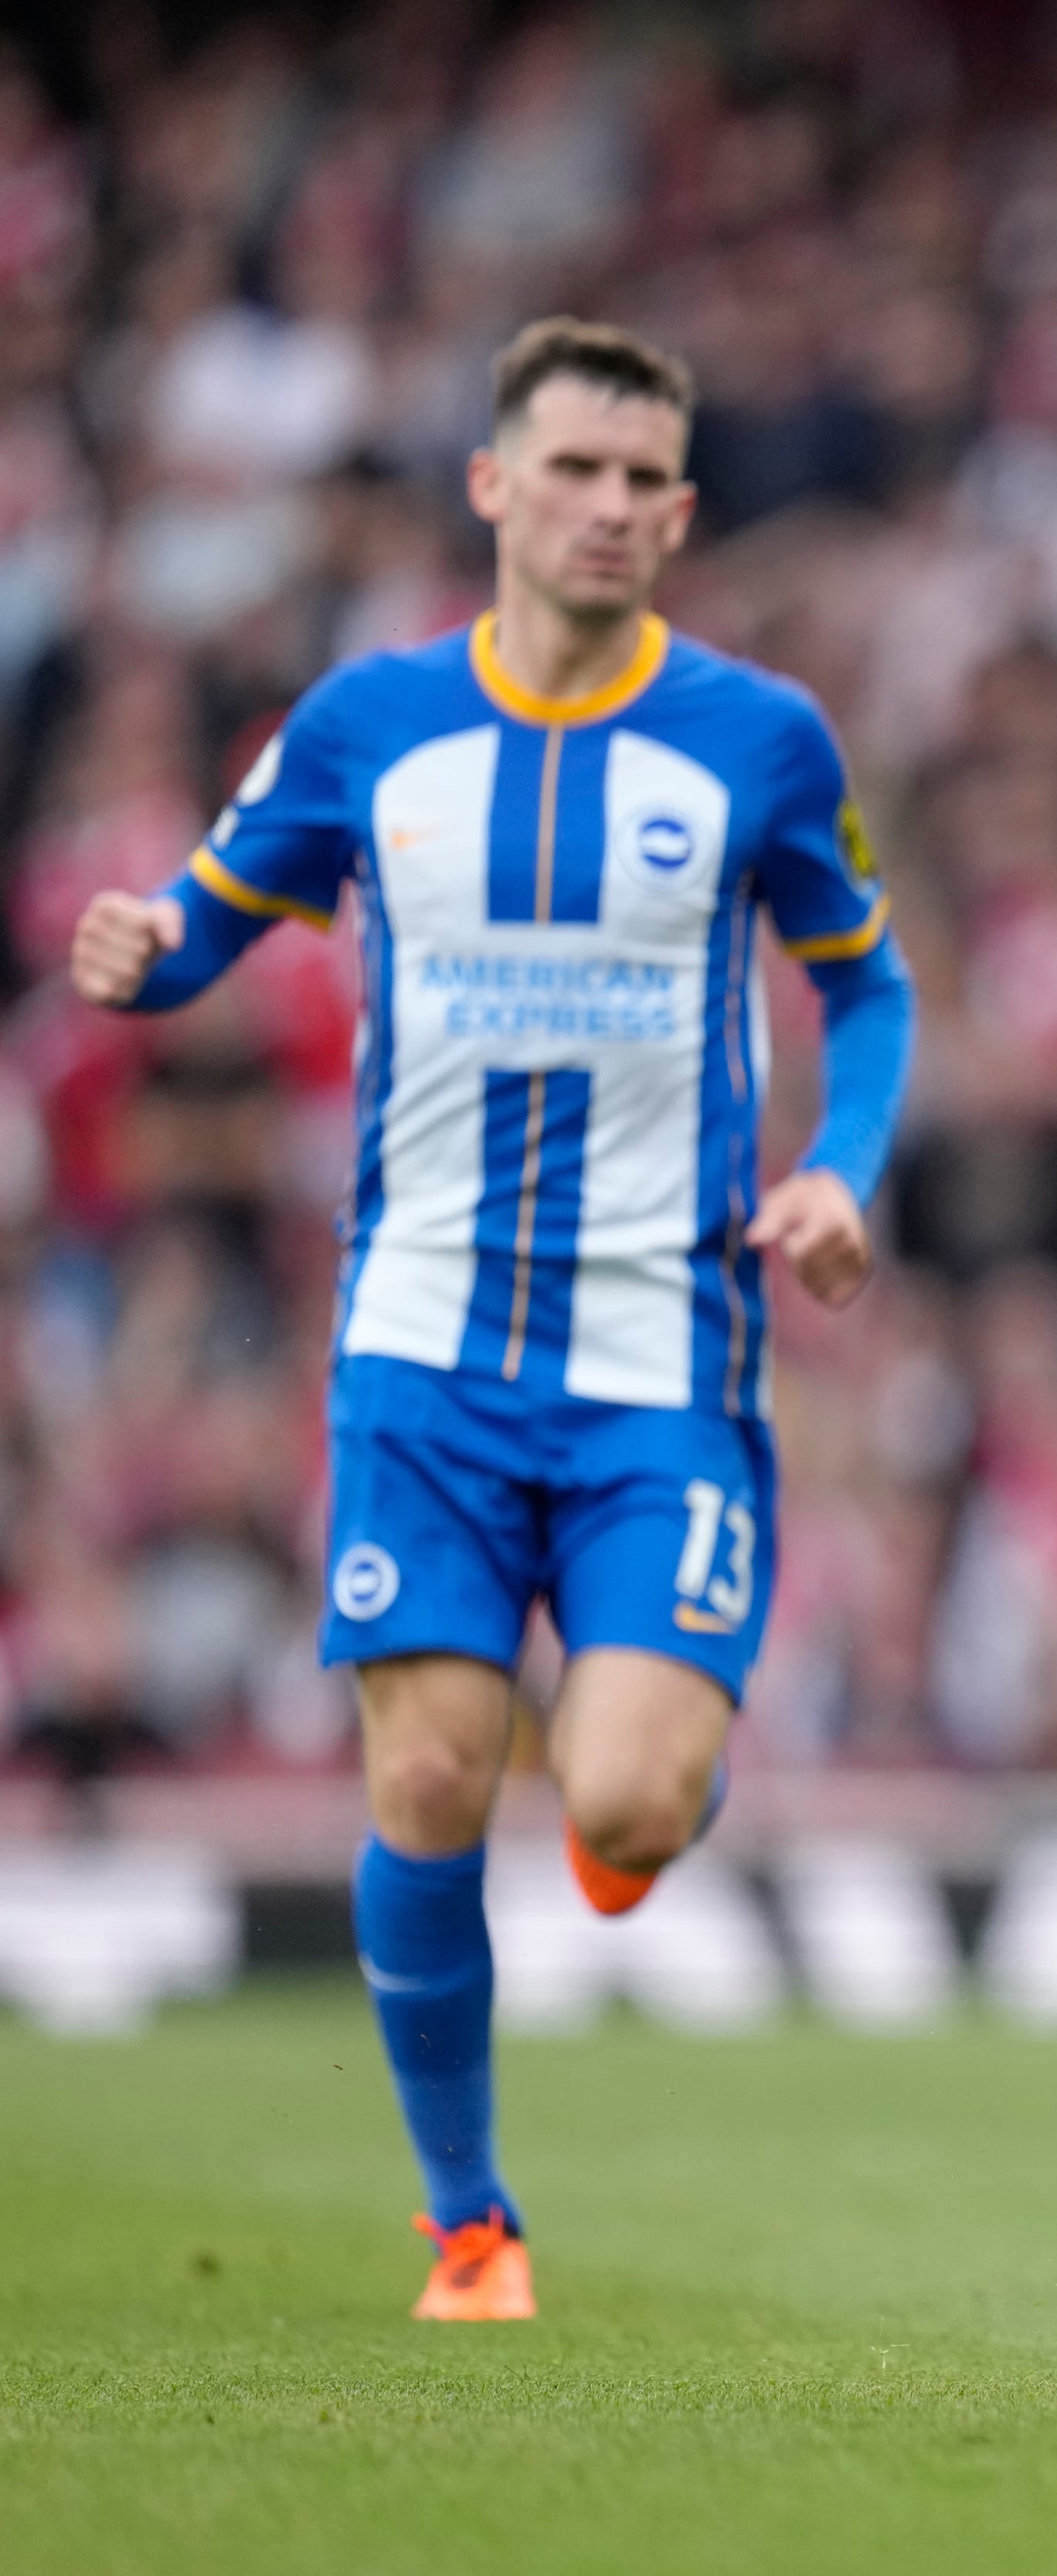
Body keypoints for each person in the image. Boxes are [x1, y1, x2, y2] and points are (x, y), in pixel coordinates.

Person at [68, 319, 917, 2322]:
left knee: (623, 1797)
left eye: (647, 482)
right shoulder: (371, 727)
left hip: (661, 1355)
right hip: (424, 1347)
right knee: (433, 1777)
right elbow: (208, 909)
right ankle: (472, 2221)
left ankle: (631, 1806)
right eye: (578, 472)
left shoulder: (757, 738)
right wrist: (142, 950)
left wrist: (842, 1166)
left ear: (684, 512)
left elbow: (866, 983)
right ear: (494, 488)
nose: (612, 508)